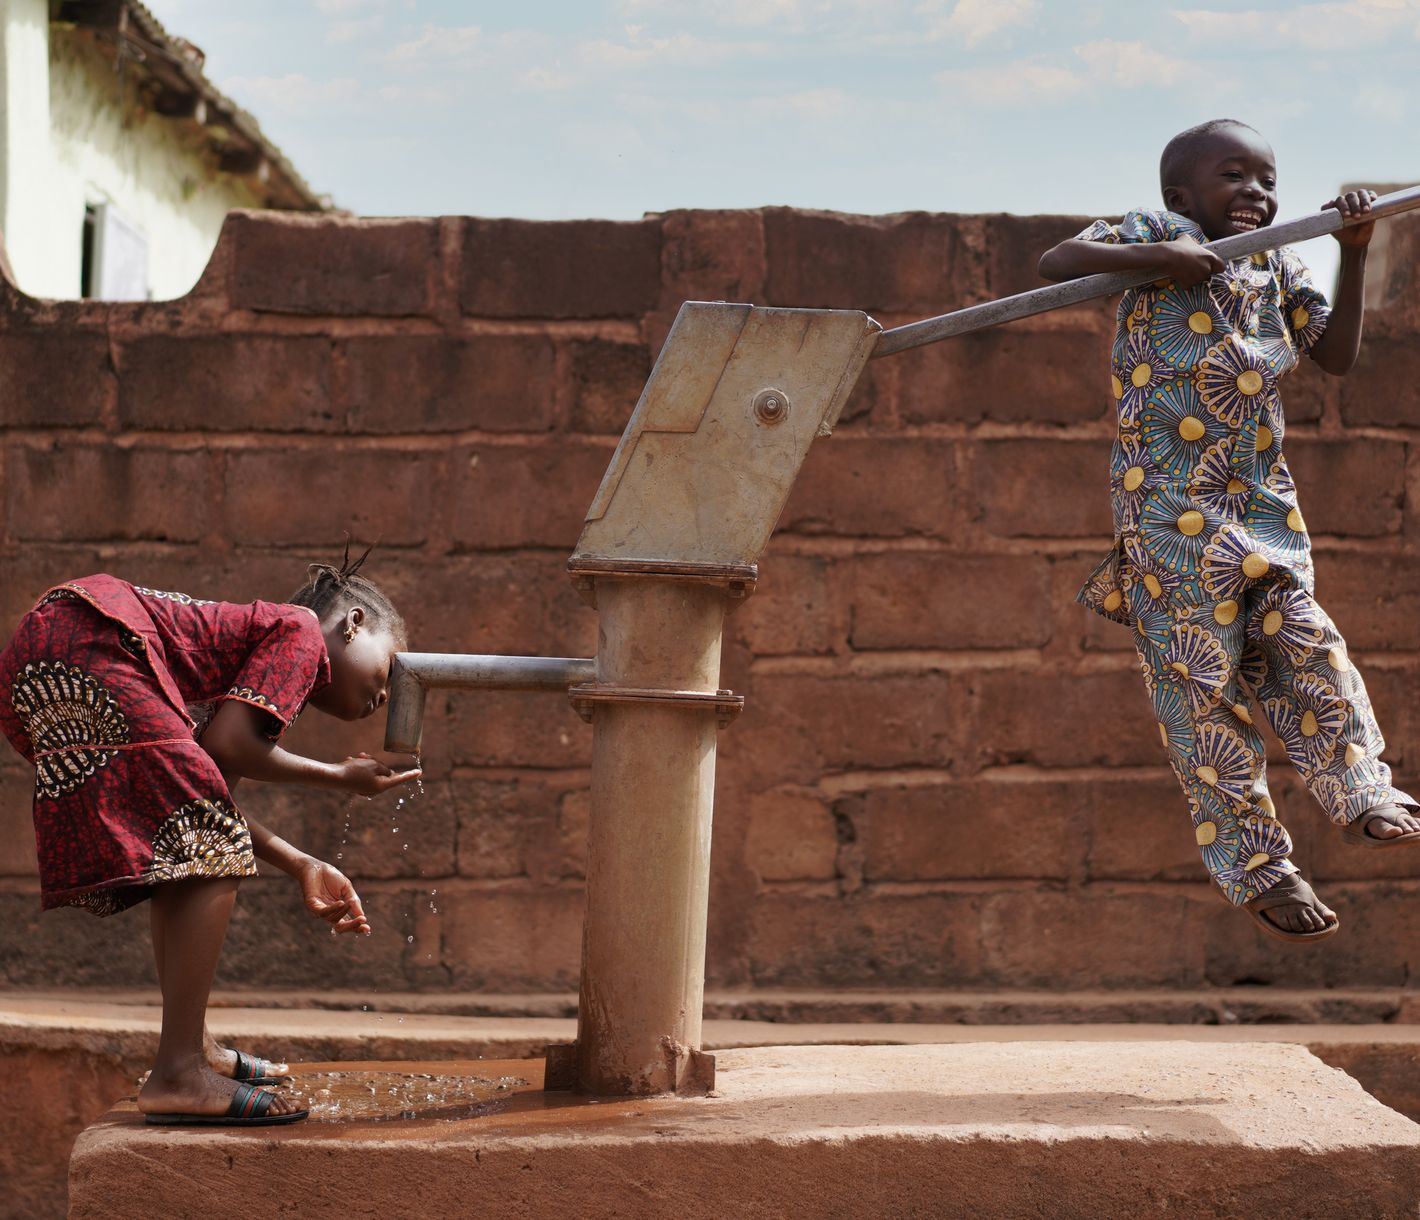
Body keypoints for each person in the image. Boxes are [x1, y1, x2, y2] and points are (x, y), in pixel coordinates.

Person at [1037, 118, 1420, 944]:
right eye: (1233, 175)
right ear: (1182, 196)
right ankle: (1258, 868)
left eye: (1266, 177)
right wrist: (1156, 260)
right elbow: (1056, 262)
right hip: (1168, 522)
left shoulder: (1280, 257)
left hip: (1262, 513)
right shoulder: (1153, 231)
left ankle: (1361, 789)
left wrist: (1353, 248)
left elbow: (1338, 354)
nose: (1256, 191)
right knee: (1200, 690)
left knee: (1310, 647)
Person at [0, 547, 421, 1124]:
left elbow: (210, 794)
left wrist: (301, 864)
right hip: (92, 634)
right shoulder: (298, 631)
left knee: (185, 836)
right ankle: (178, 1073)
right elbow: (230, 749)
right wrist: (340, 778)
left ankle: (191, 1048)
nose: (384, 698)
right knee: (198, 840)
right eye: (388, 670)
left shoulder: (251, 670)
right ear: (353, 626)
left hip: (52, 647)